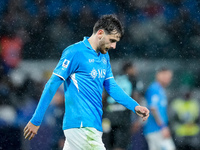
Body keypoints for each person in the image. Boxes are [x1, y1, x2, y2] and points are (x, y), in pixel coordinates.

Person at [23, 14, 149, 150]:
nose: (114, 46)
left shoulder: (104, 56)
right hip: (82, 126)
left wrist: (134, 106)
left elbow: (112, 87)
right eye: (112, 40)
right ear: (100, 33)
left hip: (92, 126)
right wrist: (36, 120)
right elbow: (52, 85)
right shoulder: (75, 52)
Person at [143, 67, 175, 150]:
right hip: (155, 130)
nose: (169, 80)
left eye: (170, 78)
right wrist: (163, 127)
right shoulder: (154, 89)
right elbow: (153, 109)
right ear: (159, 75)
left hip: (155, 130)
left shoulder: (160, 89)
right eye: (167, 77)